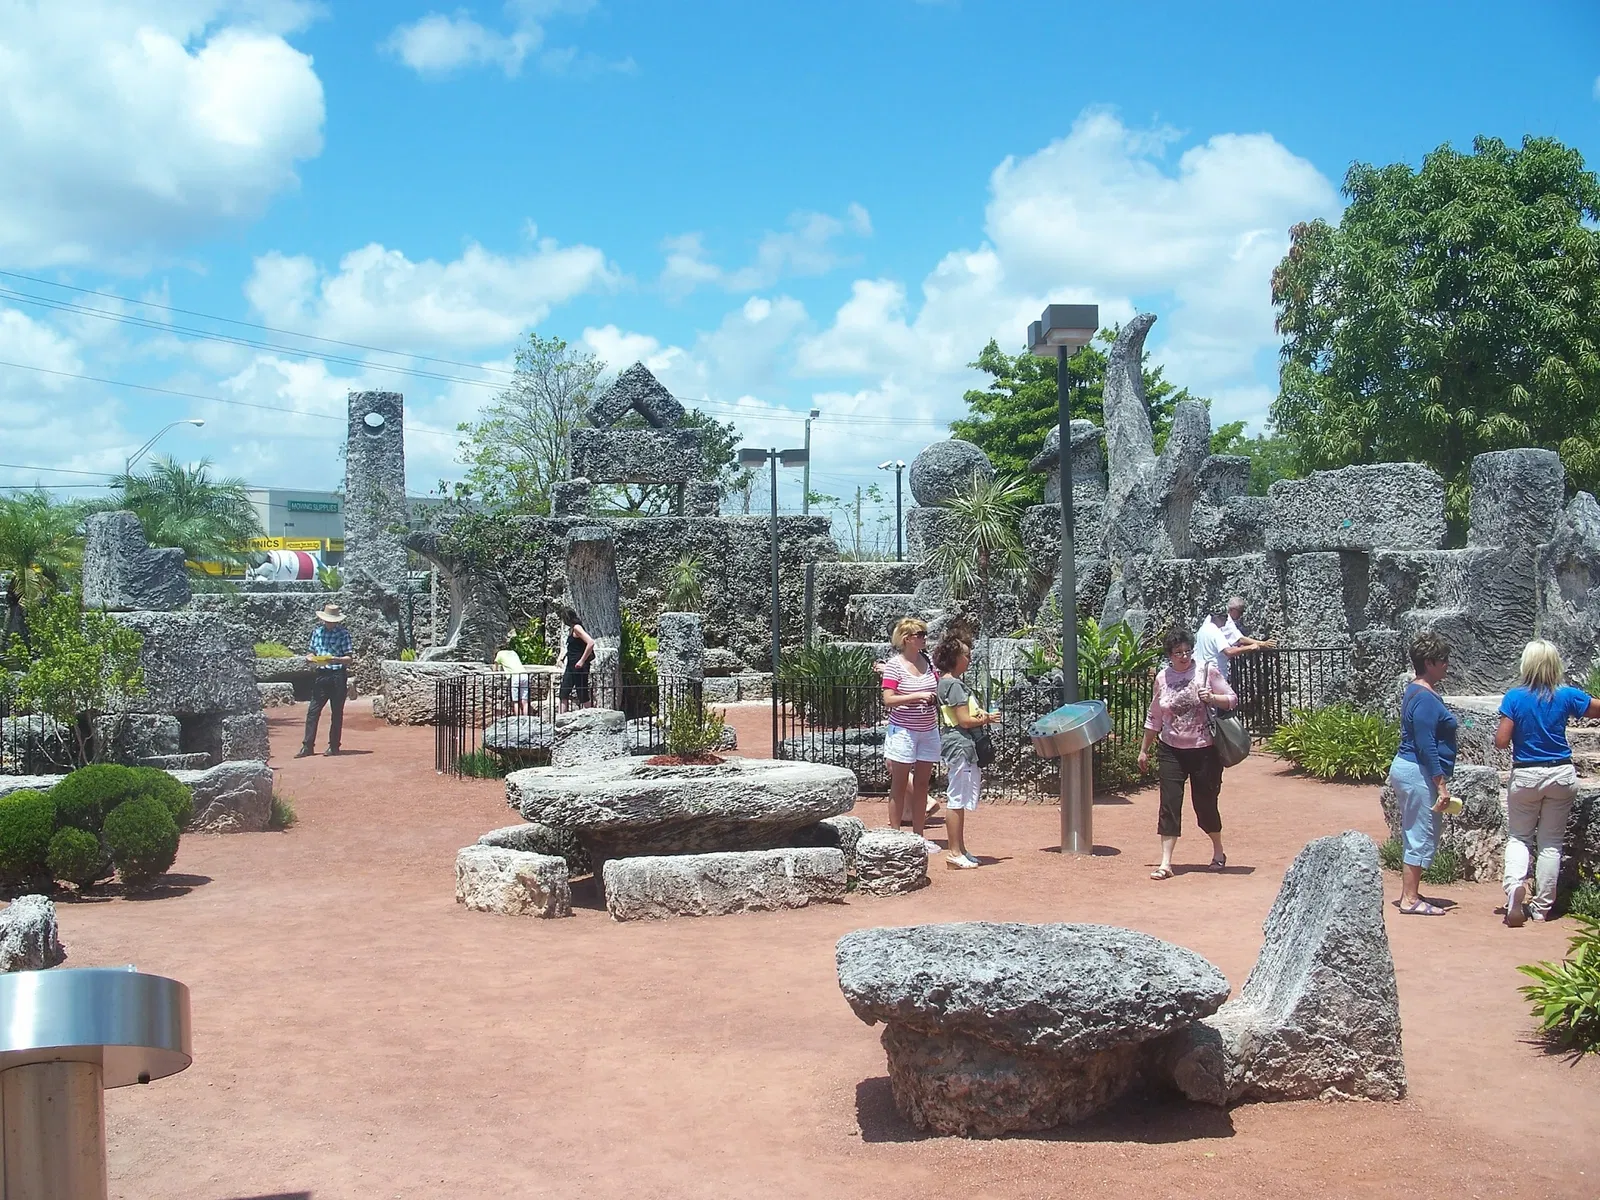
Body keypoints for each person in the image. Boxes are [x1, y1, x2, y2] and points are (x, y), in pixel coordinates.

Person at [1494, 640, 1599, 926]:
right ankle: (1541, 908)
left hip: (1527, 774)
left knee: (1519, 837)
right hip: (1561, 774)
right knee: (1550, 843)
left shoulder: (1514, 698)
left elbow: (1501, 742)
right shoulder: (1566, 696)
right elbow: (1596, 709)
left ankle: (1515, 885)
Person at [1138, 628, 1237, 880]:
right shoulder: (1162, 678)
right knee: (1169, 804)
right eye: (1177, 653)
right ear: (1169, 655)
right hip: (1171, 749)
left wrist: (1212, 697)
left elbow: (1232, 699)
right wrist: (1144, 750)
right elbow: (1155, 716)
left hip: (1204, 749)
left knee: (1204, 805)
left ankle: (1218, 851)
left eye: (1187, 651)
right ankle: (1165, 863)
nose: (1183, 657)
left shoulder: (1206, 671)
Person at [1389, 630, 1457, 915]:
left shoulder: (1415, 690)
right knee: (1419, 832)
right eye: (1442, 660)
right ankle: (1410, 899)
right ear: (1429, 662)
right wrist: (1441, 785)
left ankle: (1411, 892)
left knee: (1416, 830)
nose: (1446, 665)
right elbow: (1426, 744)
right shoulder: (1426, 698)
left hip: (1409, 769)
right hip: (1417, 770)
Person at [934, 635, 999, 870]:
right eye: (966, 655)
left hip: (961, 744)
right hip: (959, 743)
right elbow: (963, 720)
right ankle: (953, 852)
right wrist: (987, 718)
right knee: (957, 798)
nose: (969, 659)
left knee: (960, 797)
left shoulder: (948, 683)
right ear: (955, 658)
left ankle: (960, 848)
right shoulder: (953, 685)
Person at [881, 617, 942, 853]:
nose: (925, 638)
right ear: (907, 639)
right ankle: (896, 837)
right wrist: (916, 697)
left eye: (925, 634)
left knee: (922, 784)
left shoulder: (928, 662)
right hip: (904, 732)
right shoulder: (895, 665)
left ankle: (919, 837)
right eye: (920, 634)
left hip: (928, 730)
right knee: (898, 784)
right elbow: (888, 699)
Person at [297, 601, 353, 758]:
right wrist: (310, 658)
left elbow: (349, 658)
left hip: (337, 675)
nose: (329, 623)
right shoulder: (317, 632)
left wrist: (335, 659)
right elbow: (311, 652)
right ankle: (308, 746)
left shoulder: (343, 634)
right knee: (313, 711)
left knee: (336, 712)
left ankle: (334, 746)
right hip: (322, 674)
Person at [1194, 598, 1275, 684]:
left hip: (1201, 670)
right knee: (1230, 697)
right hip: (1214, 673)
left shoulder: (1204, 628)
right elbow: (1234, 645)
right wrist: (1259, 645)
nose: (1226, 620)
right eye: (1241, 611)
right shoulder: (1217, 631)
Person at [556, 605, 596, 711]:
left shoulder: (577, 628)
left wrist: (582, 661)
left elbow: (590, 642)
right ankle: (561, 719)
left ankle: (590, 716)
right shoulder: (571, 629)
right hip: (571, 665)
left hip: (579, 666)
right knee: (563, 692)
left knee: (582, 692)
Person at [1, 575, 29, 655]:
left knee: (16, 629)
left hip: (17, 606)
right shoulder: (19, 579)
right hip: (16, 606)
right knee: (13, 629)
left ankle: (5, 647)